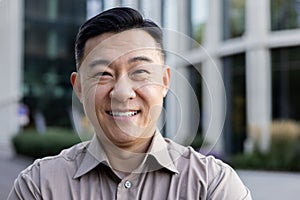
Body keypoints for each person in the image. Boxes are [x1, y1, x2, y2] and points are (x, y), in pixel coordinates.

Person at [8, 7, 251, 199]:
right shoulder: (40, 186)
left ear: (164, 81)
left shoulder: (212, 185)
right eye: (103, 73)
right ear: (79, 87)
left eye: (140, 72)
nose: (122, 93)